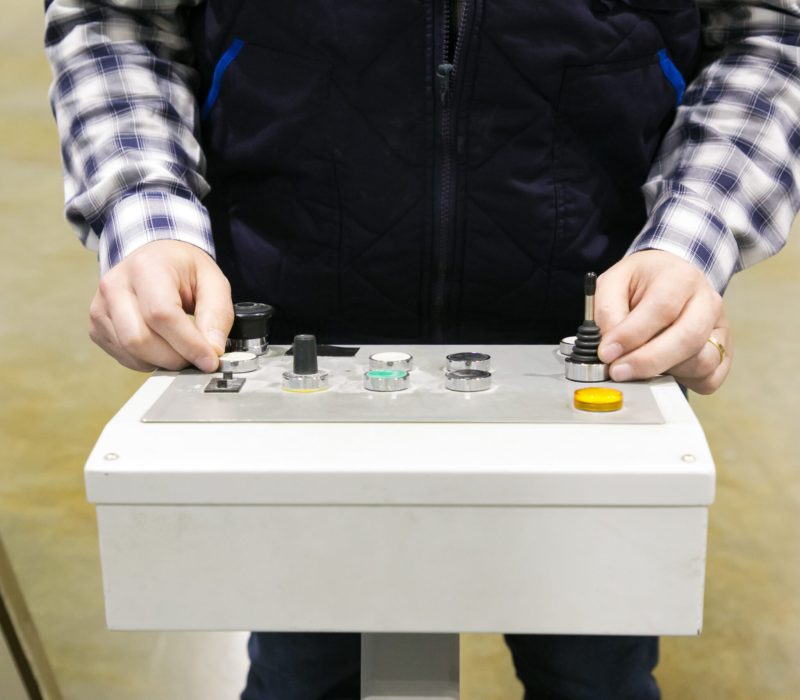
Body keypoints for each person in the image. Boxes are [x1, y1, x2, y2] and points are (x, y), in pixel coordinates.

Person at [45, 1, 799, 698]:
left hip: (594, 327)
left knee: (593, 672)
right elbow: (117, 16)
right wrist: (145, 209)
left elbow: (768, 32)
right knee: (305, 669)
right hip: (301, 330)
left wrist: (694, 230)